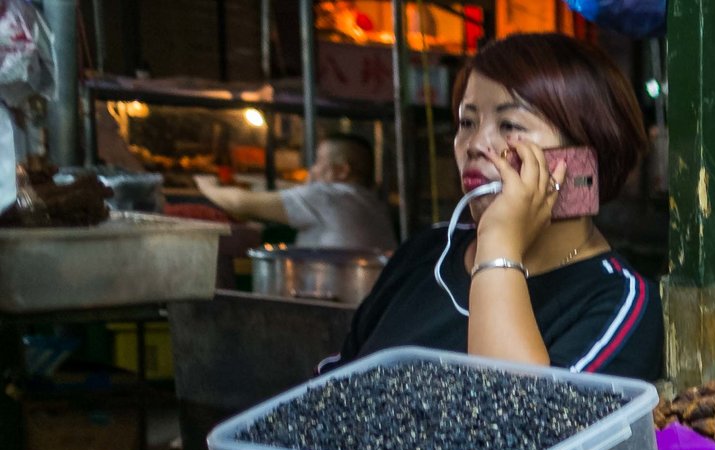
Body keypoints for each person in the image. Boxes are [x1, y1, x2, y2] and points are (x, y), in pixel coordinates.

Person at [335, 33, 661, 381]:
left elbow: (515, 420)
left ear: (583, 158)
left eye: (510, 126)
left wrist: (499, 242)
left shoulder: (618, 302)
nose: (475, 145)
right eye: (467, 122)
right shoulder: (426, 252)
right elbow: (331, 387)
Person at [195, 133, 397, 250]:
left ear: (343, 170)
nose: (313, 170)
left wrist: (206, 186)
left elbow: (239, 202)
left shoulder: (328, 196)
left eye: (318, 162)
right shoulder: (373, 204)